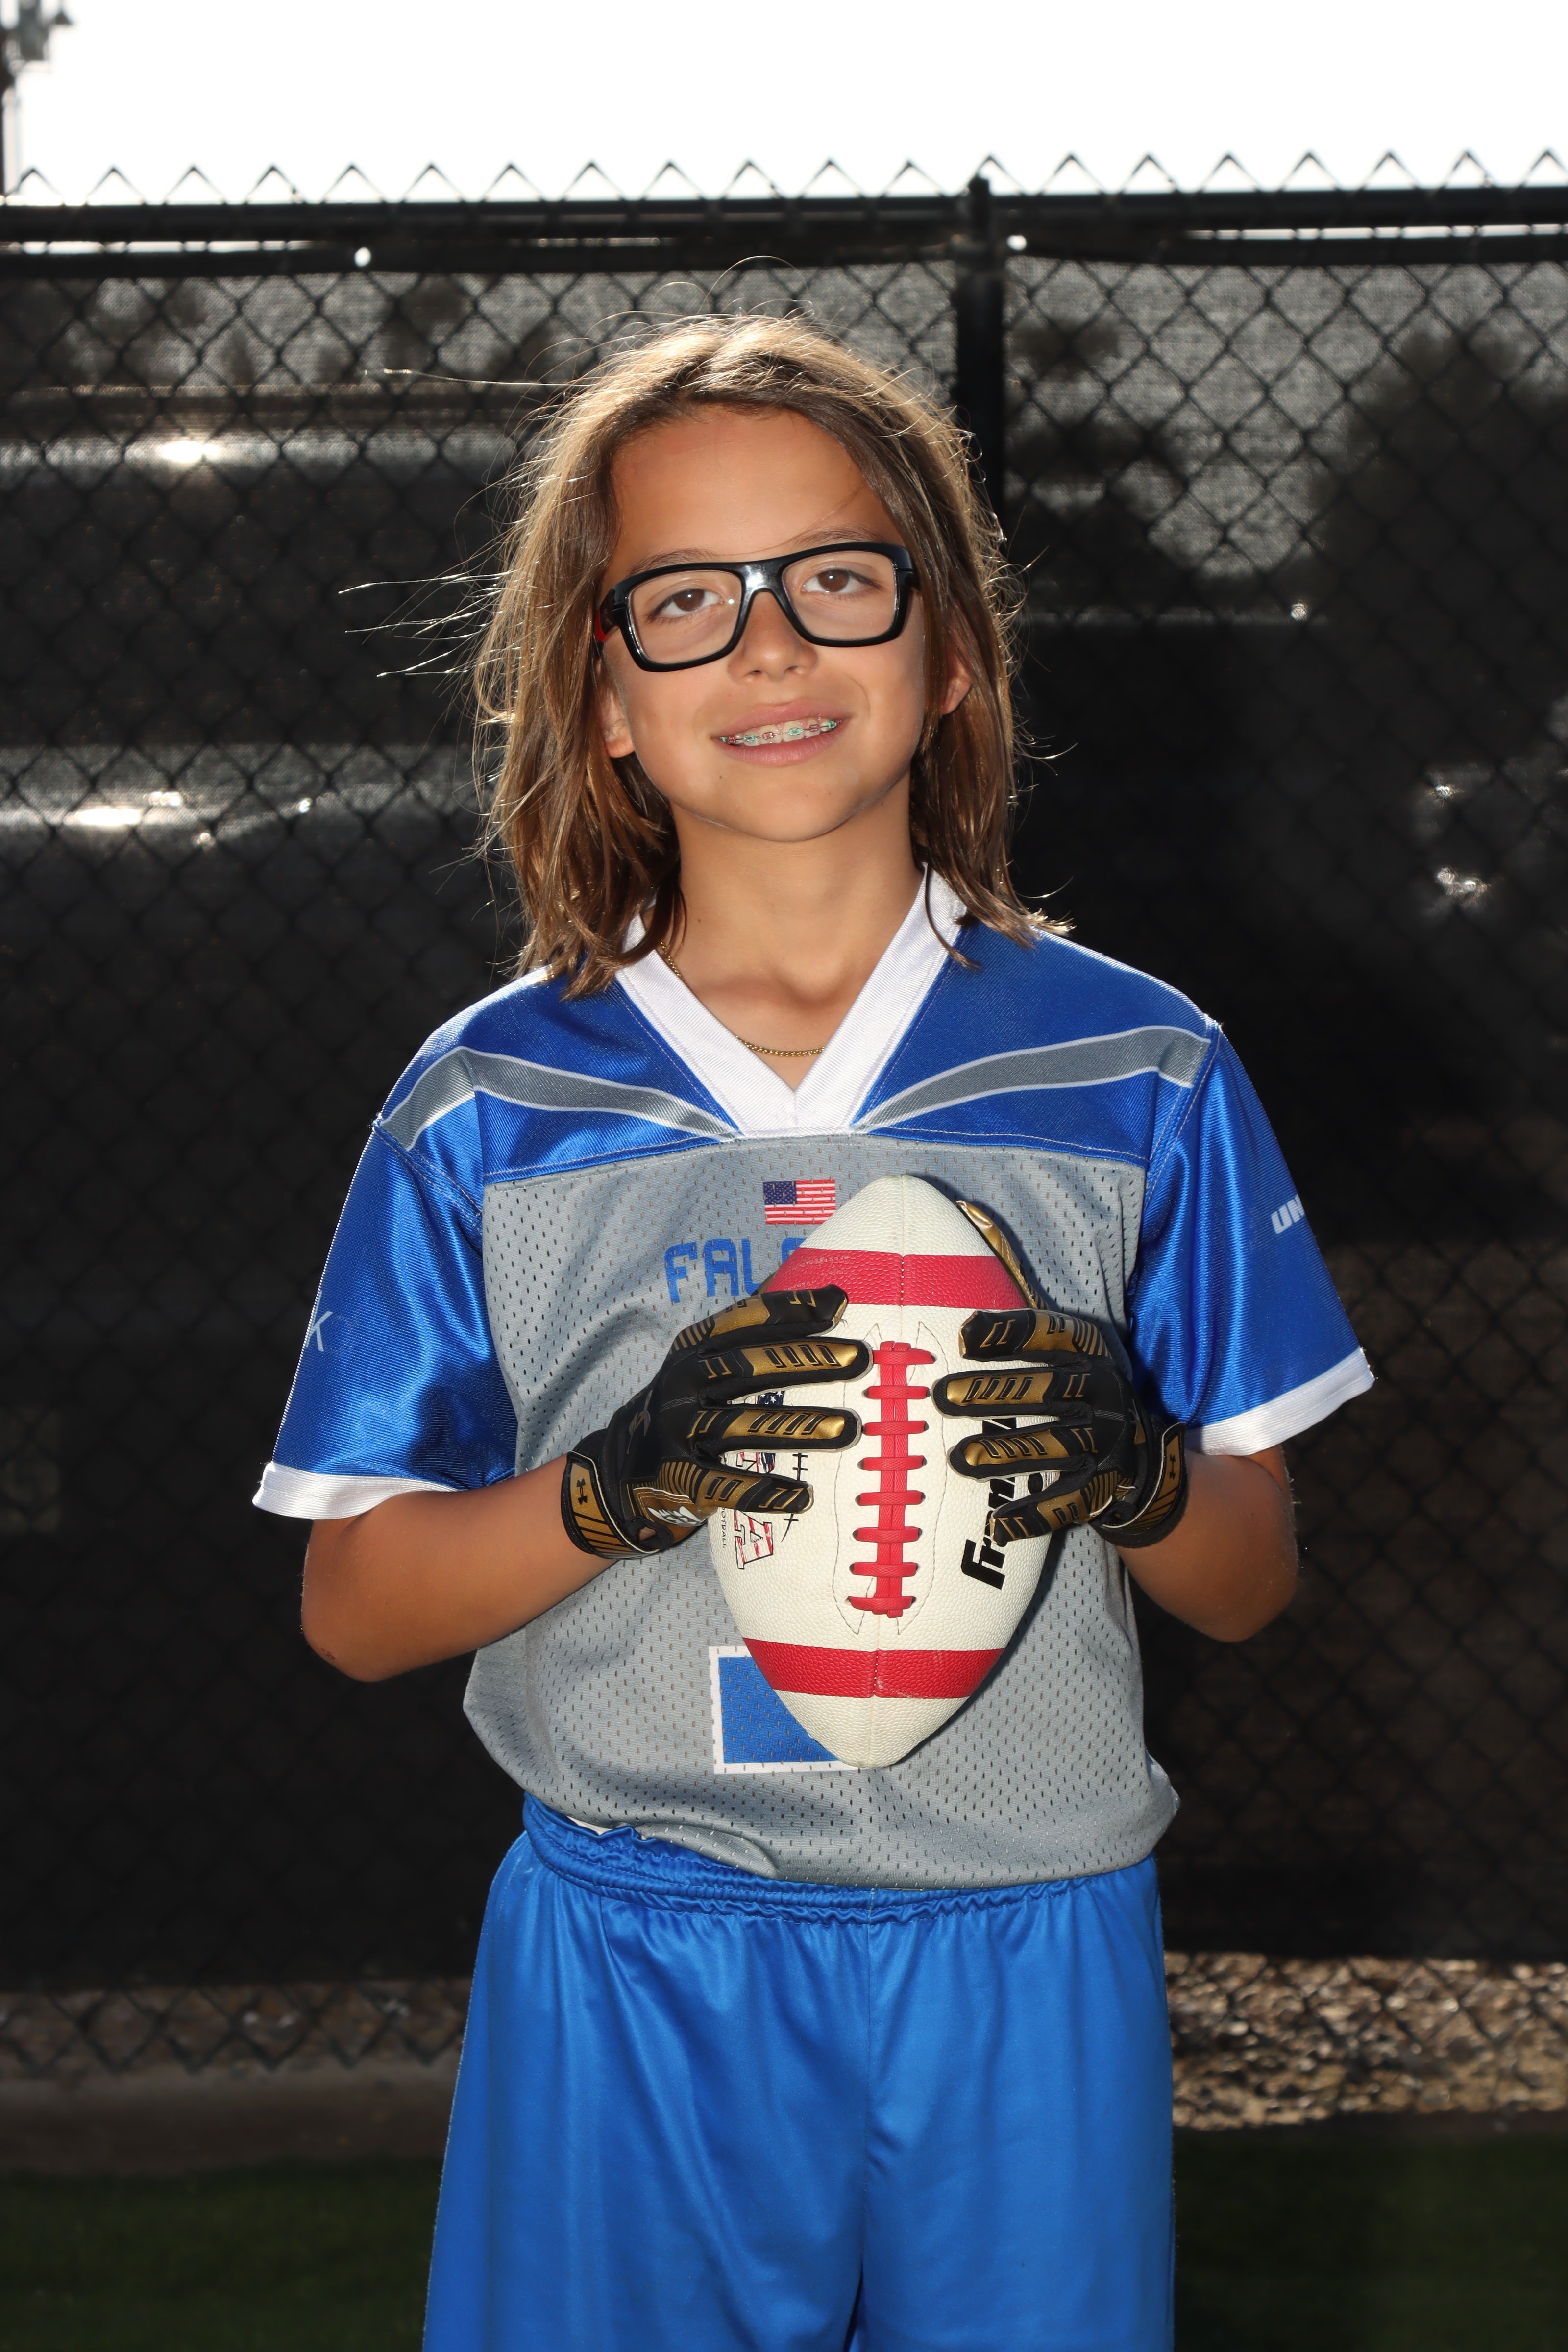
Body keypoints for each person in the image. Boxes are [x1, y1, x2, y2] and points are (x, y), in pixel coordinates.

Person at [253, 315, 1372, 2352]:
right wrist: (608, 1493)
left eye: (836, 579)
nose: (768, 645)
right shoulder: (490, 1103)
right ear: (602, 694)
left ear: (948, 654)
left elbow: (1246, 1575)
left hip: (1022, 1929)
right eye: (685, 599)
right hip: (636, 1935)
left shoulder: (1136, 1068)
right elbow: (355, 1609)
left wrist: (1136, 1474)